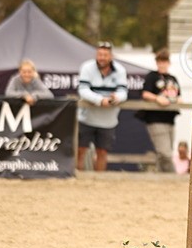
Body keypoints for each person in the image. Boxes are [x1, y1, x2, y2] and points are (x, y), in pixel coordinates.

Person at [77, 41, 128, 171]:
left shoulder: (120, 70)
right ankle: (78, 179)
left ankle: (98, 181)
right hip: (86, 118)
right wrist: (100, 100)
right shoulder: (86, 67)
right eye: (100, 54)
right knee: (80, 150)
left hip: (108, 121)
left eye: (105, 55)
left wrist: (116, 98)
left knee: (102, 152)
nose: (102, 58)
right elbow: (82, 90)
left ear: (111, 56)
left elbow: (123, 92)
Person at [139, 49, 181, 173]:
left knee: (165, 153)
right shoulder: (152, 76)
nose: (162, 64)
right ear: (157, 63)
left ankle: (161, 177)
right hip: (155, 119)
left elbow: (178, 96)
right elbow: (145, 94)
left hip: (170, 119)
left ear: (169, 63)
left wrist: (175, 100)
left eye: (165, 61)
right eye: (160, 61)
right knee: (165, 153)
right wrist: (158, 98)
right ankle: (173, 178)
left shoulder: (173, 78)